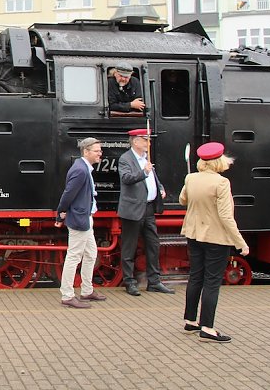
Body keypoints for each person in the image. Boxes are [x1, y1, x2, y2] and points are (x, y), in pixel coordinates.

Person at [179, 142, 249, 343]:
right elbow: (226, 217)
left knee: (196, 277)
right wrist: (240, 243)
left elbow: (184, 200)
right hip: (216, 238)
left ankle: (191, 320)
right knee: (212, 282)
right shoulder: (221, 183)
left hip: (193, 234)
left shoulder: (190, 177)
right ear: (219, 162)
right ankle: (208, 328)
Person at [117, 128, 174, 296]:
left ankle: (154, 281)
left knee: (153, 244)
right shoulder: (125, 159)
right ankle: (129, 282)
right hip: (133, 208)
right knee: (129, 247)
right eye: (145, 139)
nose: (148, 142)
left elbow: (152, 180)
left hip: (148, 207)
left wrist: (160, 188)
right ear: (135, 141)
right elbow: (126, 179)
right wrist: (144, 172)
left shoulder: (145, 158)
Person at [55, 137, 108, 308]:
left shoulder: (84, 168)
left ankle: (86, 290)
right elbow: (68, 194)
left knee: (91, 254)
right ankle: (67, 295)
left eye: (100, 151)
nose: (100, 154)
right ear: (86, 151)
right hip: (80, 219)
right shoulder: (81, 170)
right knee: (74, 256)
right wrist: (60, 213)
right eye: (97, 151)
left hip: (85, 217)